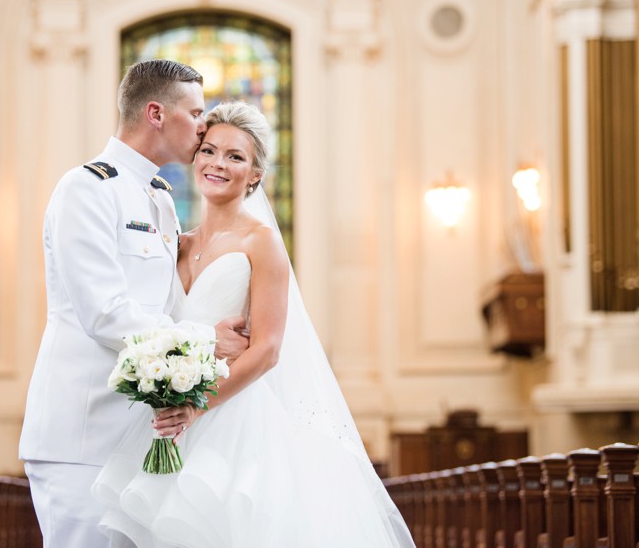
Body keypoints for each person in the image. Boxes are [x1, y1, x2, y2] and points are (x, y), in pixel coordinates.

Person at [93, 101, 416, 548]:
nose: (217, 164)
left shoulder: (261, 244)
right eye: (209, 150)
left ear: (256, 173)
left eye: (235, 157)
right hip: (166, 418)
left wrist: (197, 406)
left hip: (232, 418)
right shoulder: (175, 243)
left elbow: (267, 350)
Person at [19, 60, 250, 548]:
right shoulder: (86, 189)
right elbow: (104, 312)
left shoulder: (162, 198)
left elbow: (164, 306)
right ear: (155, 114)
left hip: (139, 433)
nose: (204, 126)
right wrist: (207, 340)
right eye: (195, 113)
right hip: (81, 434)